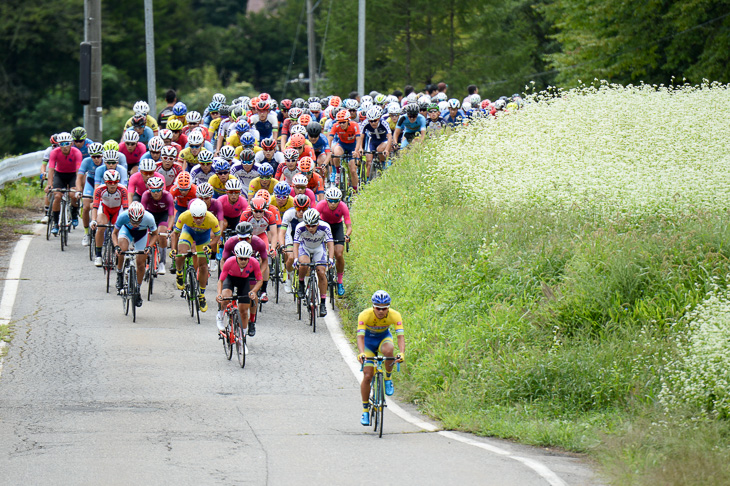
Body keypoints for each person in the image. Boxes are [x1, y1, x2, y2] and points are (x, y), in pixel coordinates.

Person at [356, 290, 405, 426]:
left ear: (388, 307)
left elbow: (400, 336)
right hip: (368, 343)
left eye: (384, 308)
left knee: (389, 351)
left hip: (383, 338)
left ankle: (388, 379)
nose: (381, 311)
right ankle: (365, 410)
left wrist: (402, 353)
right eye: (378, 308)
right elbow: (360, 336)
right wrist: (361, 353)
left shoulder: (395, 315)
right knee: (367, 376)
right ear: (373, 306)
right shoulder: (365, 315)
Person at [174, 199, 221, 312]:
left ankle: (201, 294)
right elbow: (175, 234)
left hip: (203, 238)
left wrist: (210, 246)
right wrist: (174, 249)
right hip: (188, 232)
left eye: (201, 217)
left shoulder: (212, 219)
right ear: (191, 214)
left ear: (205, 214)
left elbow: (218, 236)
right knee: (182, 252)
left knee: (203, 266)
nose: (198, 220)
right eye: (195, 217)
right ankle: (179, 272)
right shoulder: (185, 216)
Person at [112, 201, 158, 308]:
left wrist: (149, 246)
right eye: (133, 221)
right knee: (122, 250)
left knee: (141, 264)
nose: (136, 224)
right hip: (126, 231)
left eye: (138, 221)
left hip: (141, 234)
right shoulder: (123, 216)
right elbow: (114, 233)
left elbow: (155, 235)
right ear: (129, 216)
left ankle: (137, 289)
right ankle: (119, 273)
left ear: (142, 216)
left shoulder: (149, 218)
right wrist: (116, 246)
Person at [216, 241, 262, 340]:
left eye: (246, 259)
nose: (243, 261)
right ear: (236, 256)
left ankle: (242, 339)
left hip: (244, 280)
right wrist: (219, 294)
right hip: (230, 278)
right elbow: (221, 280)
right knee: (226, 295)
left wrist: (253, 291)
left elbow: (260, 280)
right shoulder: (229, 262)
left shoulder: (254, 262)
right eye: (241, 258)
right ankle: (220, 315)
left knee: (244, 311)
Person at [293, 208, 334, 317]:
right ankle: (301, 283)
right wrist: (295, 259)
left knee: (321, 272)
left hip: (318, 248)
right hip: (304, 247)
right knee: (303, 264)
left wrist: (330, 259)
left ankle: (323, 304)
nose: (310, 228)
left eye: (313, 225)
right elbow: (296, 245)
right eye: (308, 225)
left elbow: (330, 243)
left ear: (318, 222)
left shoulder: (325, 227)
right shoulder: (300, 227)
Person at [316, 187, 352, 296]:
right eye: (330, 201)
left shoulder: (343, 207)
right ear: (326, 200)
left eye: (336, 201)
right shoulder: (321, 205)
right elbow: (314, 220)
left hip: (337, 227)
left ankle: (340, 282)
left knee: (339, 254)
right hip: (323, 225)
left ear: (339, 200)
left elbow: (349, 226)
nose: (333, 203)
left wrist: (346, 235)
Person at [90, 169, 129, 266]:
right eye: (110, 182)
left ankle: (119, 250)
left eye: (115, 182)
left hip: (117, 210)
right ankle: (98, 255)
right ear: (105, 182)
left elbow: (125, 209)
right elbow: (95, 206)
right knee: (101, 226)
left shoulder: (123, 190)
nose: (113, 185)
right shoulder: (99, 189)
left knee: (120, 228)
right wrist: (94, 220)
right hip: (105, 210)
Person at [46, 132, 83, 235]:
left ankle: (74, 213)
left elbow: (78, 172)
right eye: (62, 144)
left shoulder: (77, 153)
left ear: (71, 143)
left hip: (72, 175)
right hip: (60, 175)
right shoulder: (54, 153)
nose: (65, 146)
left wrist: (78, 187)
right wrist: (49, 185)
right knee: (57, 196)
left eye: (67, 143)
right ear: (58, 145)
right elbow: (51, 170)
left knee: (72, 194)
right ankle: (55, 223)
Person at [140, 176, 174, 274]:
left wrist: (169, 229)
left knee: (161, 234)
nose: (156, 193)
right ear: (149, 190)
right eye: (153, 190)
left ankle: (162, 262)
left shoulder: (168, 196)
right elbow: (143, 214)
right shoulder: (145, 195)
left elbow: (171, 216)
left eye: (158, 190)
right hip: (150, 215)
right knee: (147, 235)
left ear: (162, 189)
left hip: (163, 215)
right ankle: (147, 260)